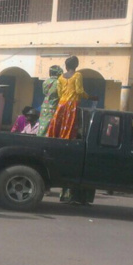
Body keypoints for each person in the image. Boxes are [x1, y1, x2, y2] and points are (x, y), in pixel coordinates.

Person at [47, 56, 96, 204]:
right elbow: (79, 91)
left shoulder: (61, 77)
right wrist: (90, 96)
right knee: (70, 129)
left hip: (61, 105)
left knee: (58, 127)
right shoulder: (78, 75)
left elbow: (61, 93)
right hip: (71, 105)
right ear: (76, 65)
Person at [38, 65, 63, 137]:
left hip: (45, 105)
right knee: (51, 124)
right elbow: (60, 94)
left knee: (43, 124)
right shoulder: (59, 82)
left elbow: (45, 92)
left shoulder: (45, 82)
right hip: (54, 105)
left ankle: (40, 137)